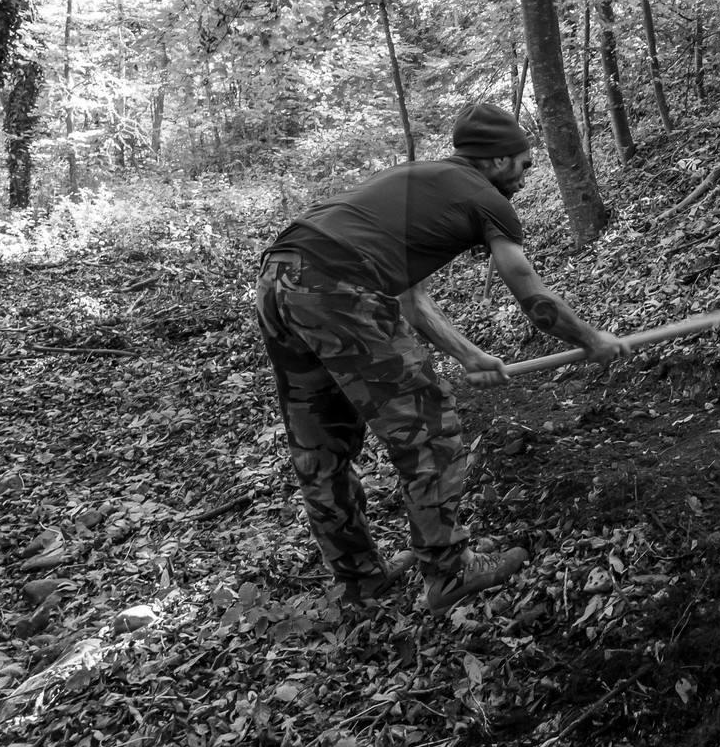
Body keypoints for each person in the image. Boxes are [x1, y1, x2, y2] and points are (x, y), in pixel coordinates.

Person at [255, 102, 624, 616]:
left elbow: (411, 300)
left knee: (321, 443)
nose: (528, 171)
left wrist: (471, 355)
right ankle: (448, 570)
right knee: (430, 428)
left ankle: (360, 583)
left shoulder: (417, 182)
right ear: (495, 161)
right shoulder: (487, 199)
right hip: (339, 288)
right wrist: (592, 340)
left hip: (281, 277)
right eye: (523, 162)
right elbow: (533, 298)